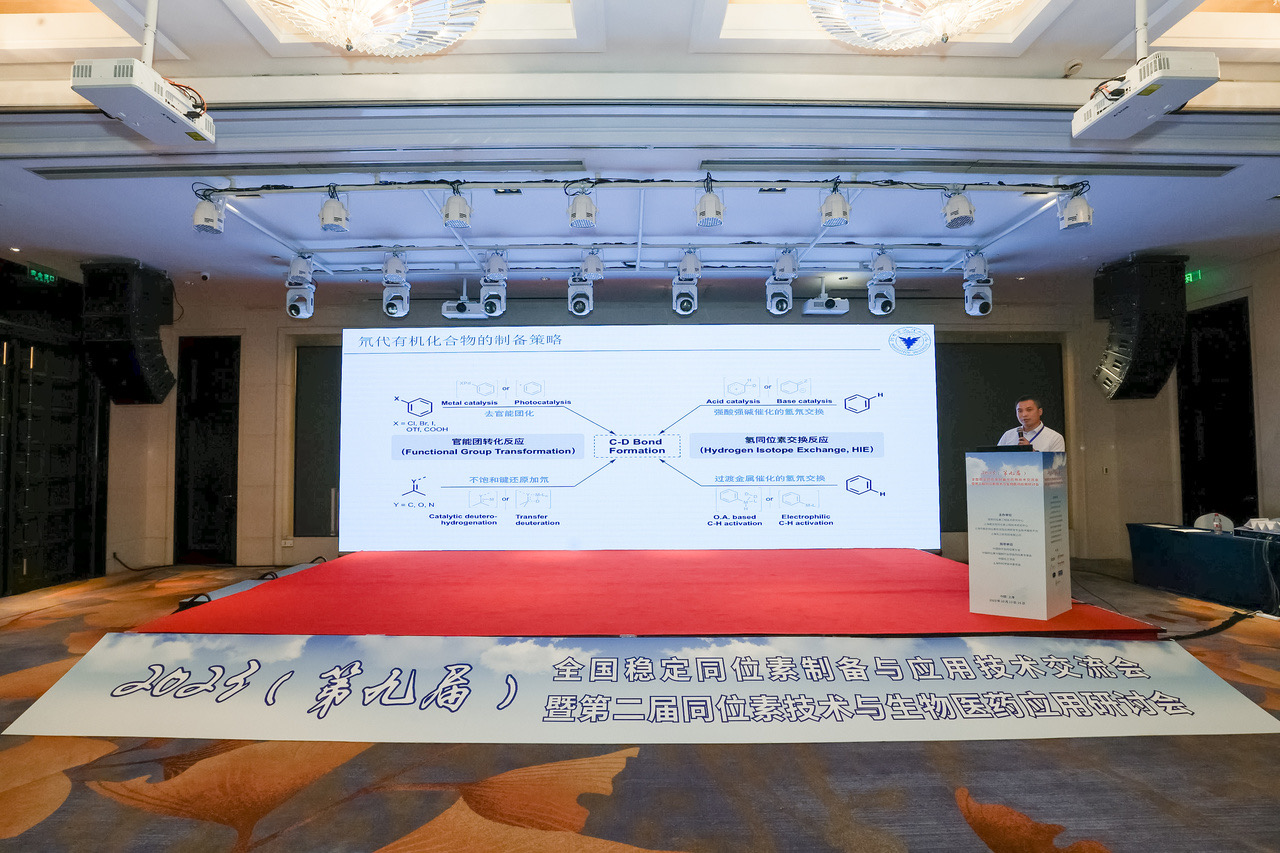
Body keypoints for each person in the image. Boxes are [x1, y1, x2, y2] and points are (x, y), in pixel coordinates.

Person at [997, 396, 1066, 451]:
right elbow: (996, 459)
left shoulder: (1055, 438)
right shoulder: (1008, 435)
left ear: (1040, 412)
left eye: (1029, 410)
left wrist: (1031, 452)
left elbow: (1057, 464)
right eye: (1020, 411)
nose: (1024, 414)